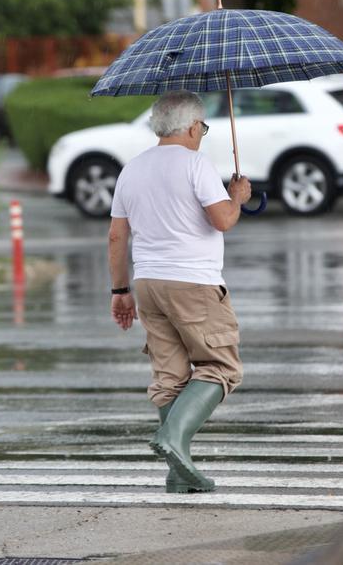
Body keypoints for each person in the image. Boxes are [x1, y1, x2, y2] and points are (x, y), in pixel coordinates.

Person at [107, 90, 253, 493]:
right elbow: (222, 219)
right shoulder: (196, 164)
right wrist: (237, 196)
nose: (202, 134)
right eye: (202, 127)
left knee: (170, 377)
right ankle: (174, 440)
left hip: (149, 284)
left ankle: (177, 472)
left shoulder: (132, 169)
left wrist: (120, 289)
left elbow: (117, 235)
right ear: (191, 127)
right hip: (194, 283)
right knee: (221, 367)